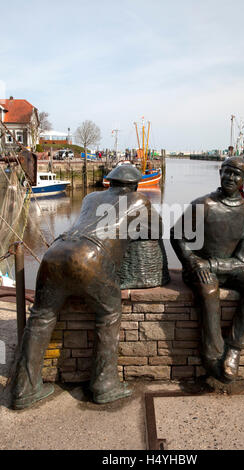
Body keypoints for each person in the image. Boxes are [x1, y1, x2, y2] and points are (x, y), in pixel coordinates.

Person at [11, 165, 160, 409]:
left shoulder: (91, 197)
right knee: (109, 314)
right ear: (134, 185)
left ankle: (23, 389)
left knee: (40, 318)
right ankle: (104, 385)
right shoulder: (139, 200)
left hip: (55, 253)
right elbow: (157, 230)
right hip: (90, 257)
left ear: (110, 182)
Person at [170, 156, 244, 383]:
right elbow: (177, 235)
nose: (230, 178)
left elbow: (243, 260)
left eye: (236, 174)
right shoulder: (203, 205)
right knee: (209, 290)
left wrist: (212, 264)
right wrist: (193, 262)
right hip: (199, 270)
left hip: (226, 268)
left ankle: (233, 349)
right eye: (227, 172)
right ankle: (212, 356)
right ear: (220, 172)